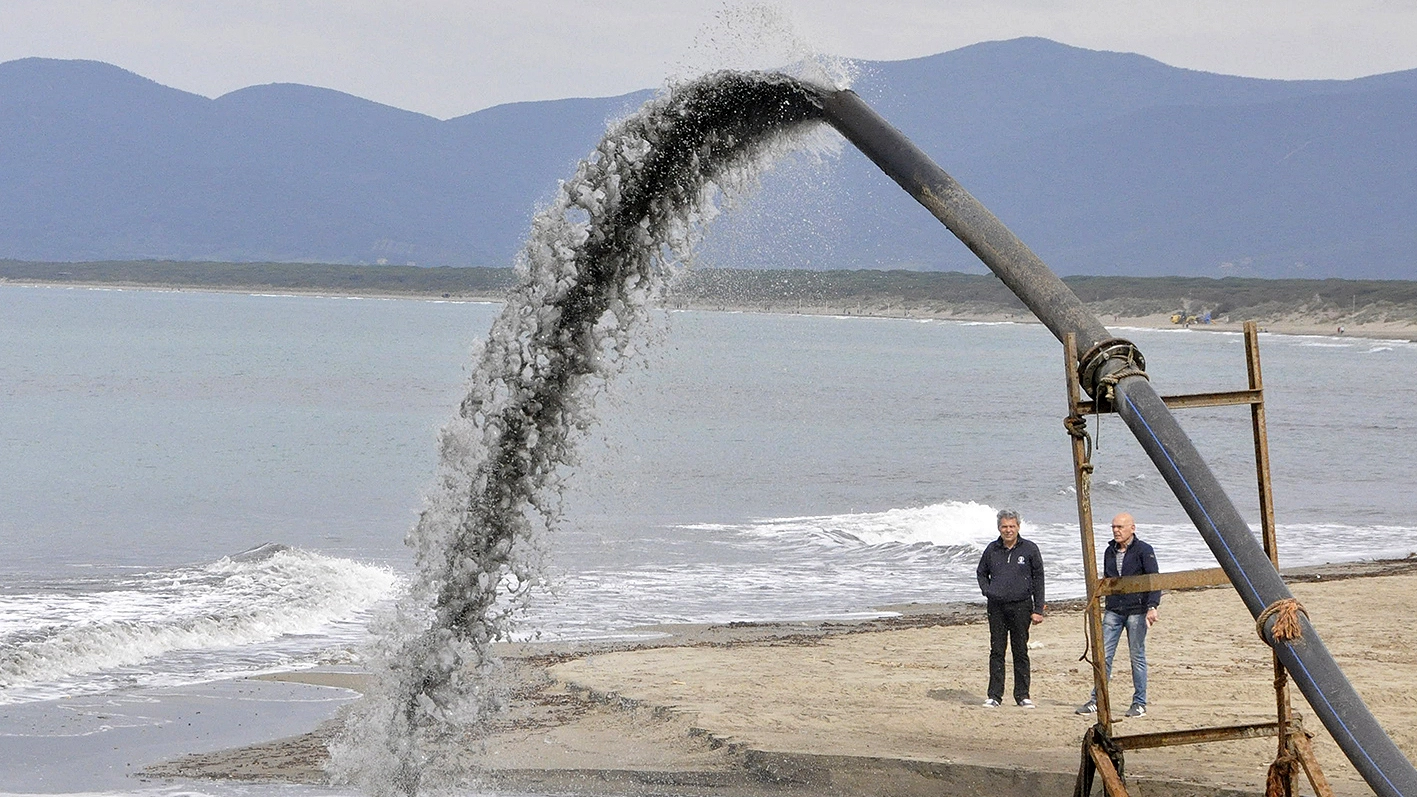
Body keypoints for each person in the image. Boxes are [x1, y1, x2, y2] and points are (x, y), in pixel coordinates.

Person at [1076, 512, 1160, 718]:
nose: (1116, 531)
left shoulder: (1144, 550)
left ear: (1132, 528)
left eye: (1120, 527)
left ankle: (1139, 703)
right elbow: (1108, 579)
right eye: (1114, 527)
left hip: (1136, 611)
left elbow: (1154, 580)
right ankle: (1097, 700)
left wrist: (1152, 606)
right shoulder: (1109, 551)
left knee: (1136, 656)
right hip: (1114, 610)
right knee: (1103, 656)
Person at [976, 509, 1046, 708]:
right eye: (1005, 527)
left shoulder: (1030, 549)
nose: (1008, 530)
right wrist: (987, 590)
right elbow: (981, 573)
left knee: (1020, 651)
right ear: (999, 528)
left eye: (1012, 526)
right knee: (997, 650)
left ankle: (1022, 695)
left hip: (1021, 606)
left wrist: (1038, 609)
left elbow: (1039, 579)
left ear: (1018, 527)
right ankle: (994, 696)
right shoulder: (992, 549)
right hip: (996, 606)